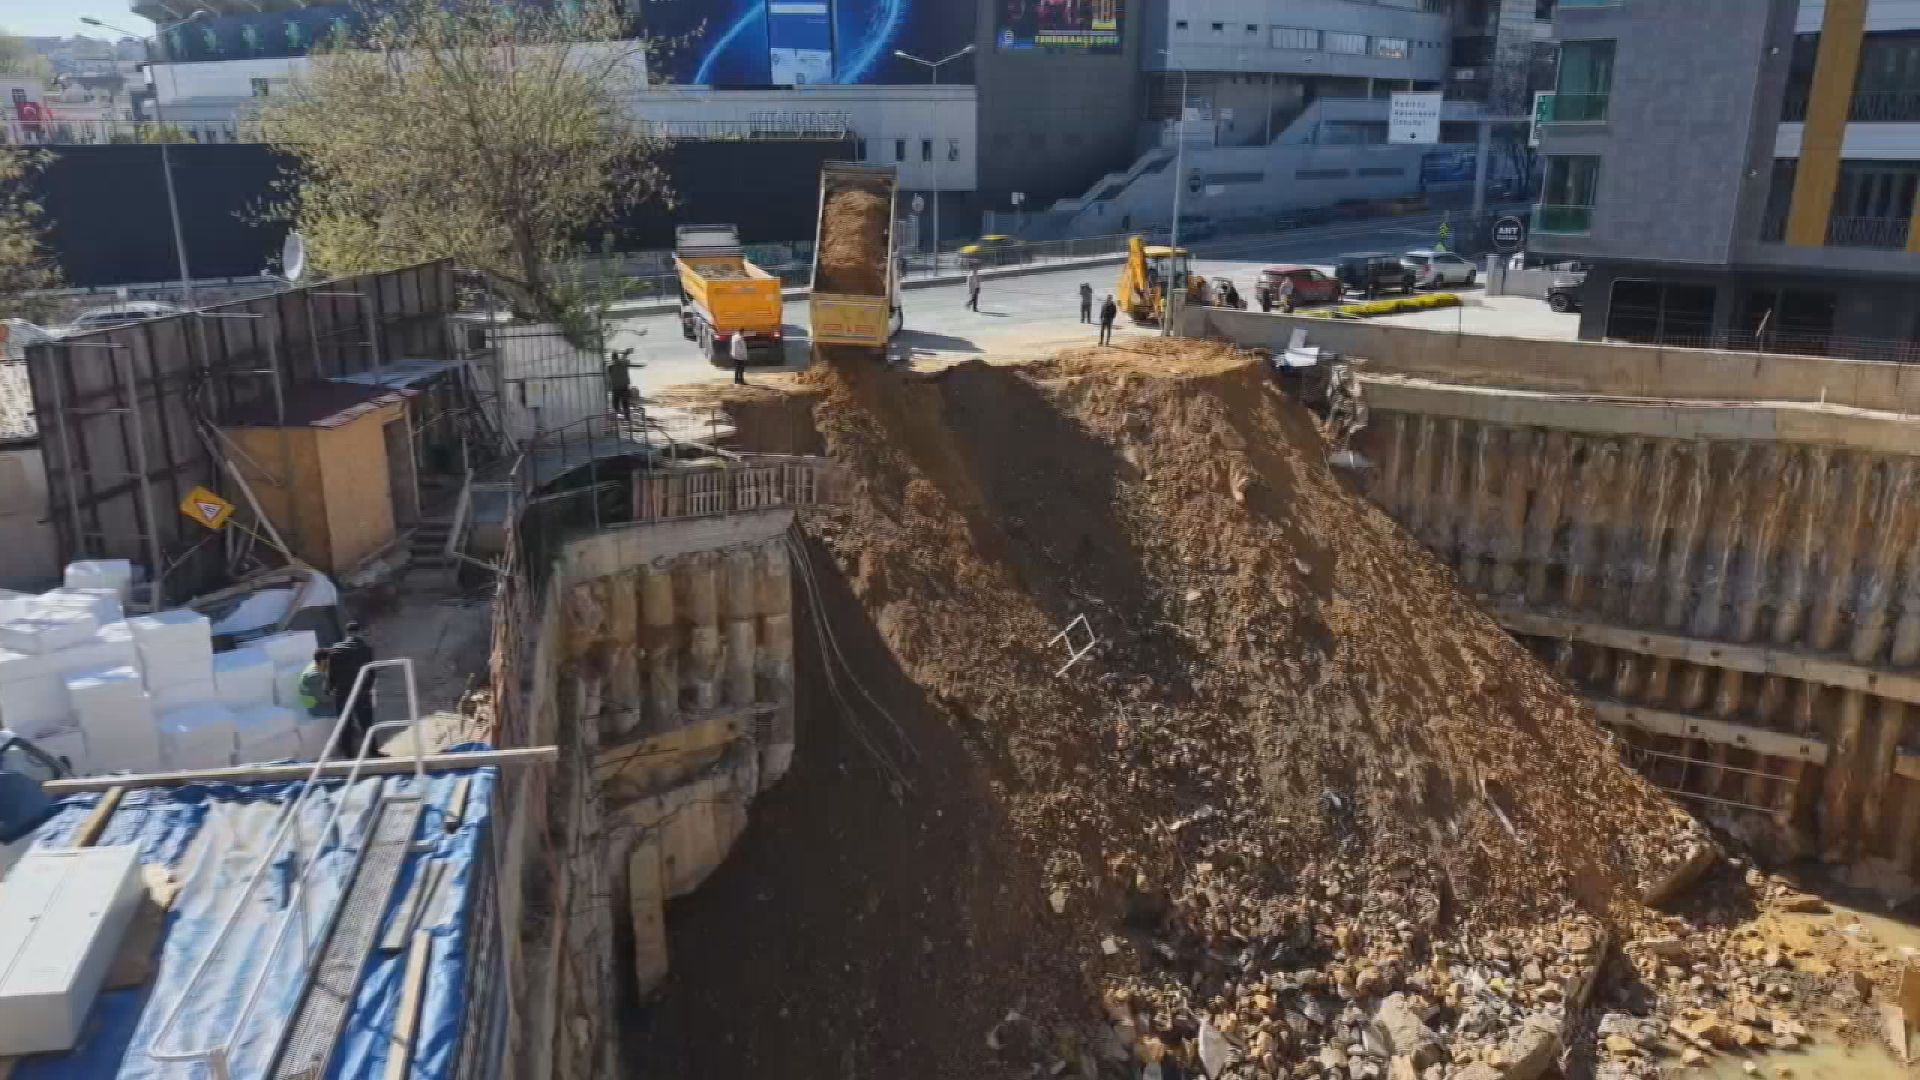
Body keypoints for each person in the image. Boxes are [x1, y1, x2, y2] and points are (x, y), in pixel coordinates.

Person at [328, 622, 376, 756]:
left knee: (344, 723)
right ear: (359, 632)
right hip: (361, 690)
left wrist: (330, 688)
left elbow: (331, 673)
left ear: (347, 633)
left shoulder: (336, 649)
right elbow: (371, 673)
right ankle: (373, 751)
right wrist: (369, 689)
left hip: (341, 691)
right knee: (366, 722)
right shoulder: (365, 649)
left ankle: (348, 754)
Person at [298, 649, 339, 742]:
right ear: (323, 660)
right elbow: (324, 699)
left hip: (318, 702)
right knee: (344, 710)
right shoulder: (314, 676)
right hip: (317, 707)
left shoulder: (316, 665)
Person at [605, 349, 633, 421]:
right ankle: (627, 418)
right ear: (617, 357)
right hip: (624, 387)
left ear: (612, 358)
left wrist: (625, 354)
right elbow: (625, 359)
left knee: (616, 405)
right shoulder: (624, 364)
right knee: (625, 404)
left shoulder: (610, 367)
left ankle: (618, 418)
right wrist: (626, 354)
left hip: (616, 388)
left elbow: (609, 375)